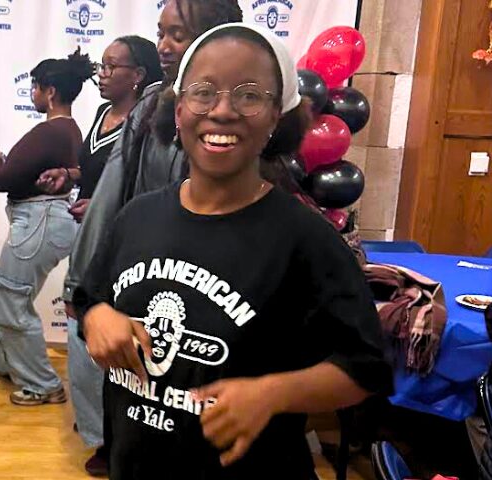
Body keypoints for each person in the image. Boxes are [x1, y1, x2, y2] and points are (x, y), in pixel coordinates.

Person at [73, 23, 392, 479]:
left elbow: (366, 370)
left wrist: (273, 393)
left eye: (249, 95)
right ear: (179, 110)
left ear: (277, 119)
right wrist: (96, 317)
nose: (222, 110)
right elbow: (90, 298)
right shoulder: (136, 219)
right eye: (203, 92)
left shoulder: (305, 240)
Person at [36, 36, 162, 477]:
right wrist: (68, 176)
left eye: (112, 67)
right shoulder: (99, 115)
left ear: (139, 76)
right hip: (89, 239)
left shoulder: (154, 124)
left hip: (126, 246)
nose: (102, 74)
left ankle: (115, 439)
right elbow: (96, 172)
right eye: (102, 66)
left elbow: (147, 186)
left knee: (117, 343)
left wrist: (106, 207)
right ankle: (100, 430)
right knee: (82, 337)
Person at [62, 0, 244, 306]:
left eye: (177, 35)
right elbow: (111, 190)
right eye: (161, 34)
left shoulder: (243, 113)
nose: (164, 46)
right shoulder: (150, 102)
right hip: (143, 273)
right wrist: (79, 282)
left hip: (214, 287)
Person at [0, 48, 94, 406]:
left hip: (37, 223)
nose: (32, 93)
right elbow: (29, 174)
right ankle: (15, 366)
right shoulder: (68, 130)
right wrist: (5, 164)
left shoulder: (50, 131)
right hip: (45, 221)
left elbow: (4, 181)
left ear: (50, 91)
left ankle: (42, 383)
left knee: (12, 298)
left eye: (35, 87)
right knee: (15, 296)